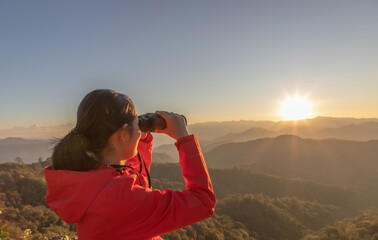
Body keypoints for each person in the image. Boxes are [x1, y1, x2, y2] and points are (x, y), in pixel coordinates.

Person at [43, 89, 216, 240]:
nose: (139, 129)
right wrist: (184, 138)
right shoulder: (123, 200)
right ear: (123, 134)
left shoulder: (90, 179)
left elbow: (129, 182)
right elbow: (203, 201)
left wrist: (140, 138)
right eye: (136, 125)